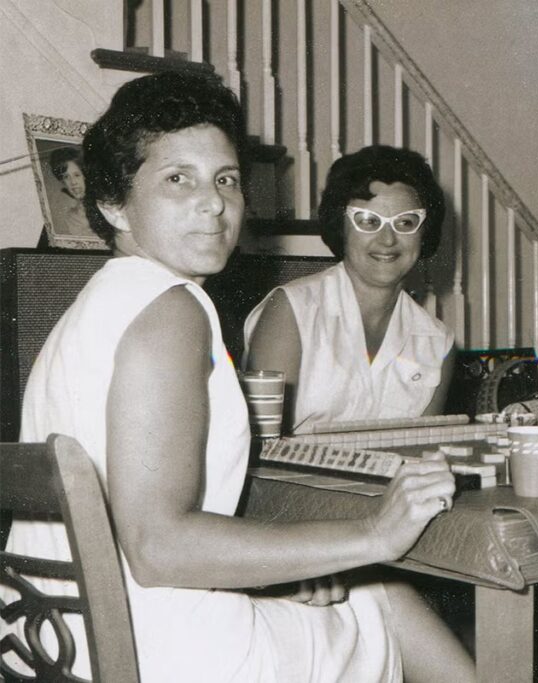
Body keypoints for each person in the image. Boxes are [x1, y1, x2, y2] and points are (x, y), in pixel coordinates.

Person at [1, 71, 472, 682]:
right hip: (161, 651)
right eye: (178, 180)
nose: (214, 202)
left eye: (225, 179)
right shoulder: (170, 308)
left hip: (51, 639)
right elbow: (158, 546)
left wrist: (284, 568)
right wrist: (374, 534)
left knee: (356, 593)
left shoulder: (101, 303)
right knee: (383, 593)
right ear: (114, 202)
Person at [244, 145, 454, 434]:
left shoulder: (438, 343)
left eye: (406, 222)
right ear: (341, 225)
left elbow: (421, 454)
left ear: (424, 232)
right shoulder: (291, 311)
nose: (388, 240)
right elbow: (262, 451)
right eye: (368, 221)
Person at [48, 146, 92, 237]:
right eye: (66, 177)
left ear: (85, 176)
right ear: (63, 182)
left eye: (77, 175)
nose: (73, 182)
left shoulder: (107, 208)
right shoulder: (71, 217)